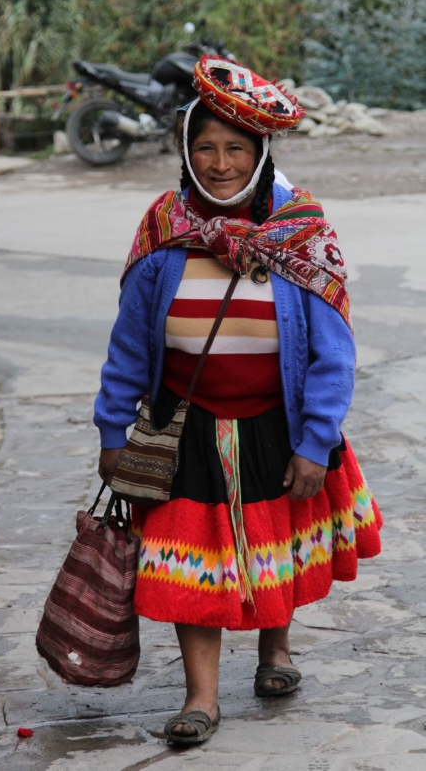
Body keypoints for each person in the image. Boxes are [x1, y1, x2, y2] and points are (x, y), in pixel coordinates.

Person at [94, 55, 382, 747]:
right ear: (185, 154)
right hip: (183, 428)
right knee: (185, 561)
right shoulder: (164, 227)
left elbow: (332, 352)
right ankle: (201, 697)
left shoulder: (300, 232)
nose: (219, 163)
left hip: (275, 427)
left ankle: (274, 651)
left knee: (272, 545)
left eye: (234, 149)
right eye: (204, 148)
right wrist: (111, 430)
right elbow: (130, 343)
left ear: (259, 156)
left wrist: (315, 439)